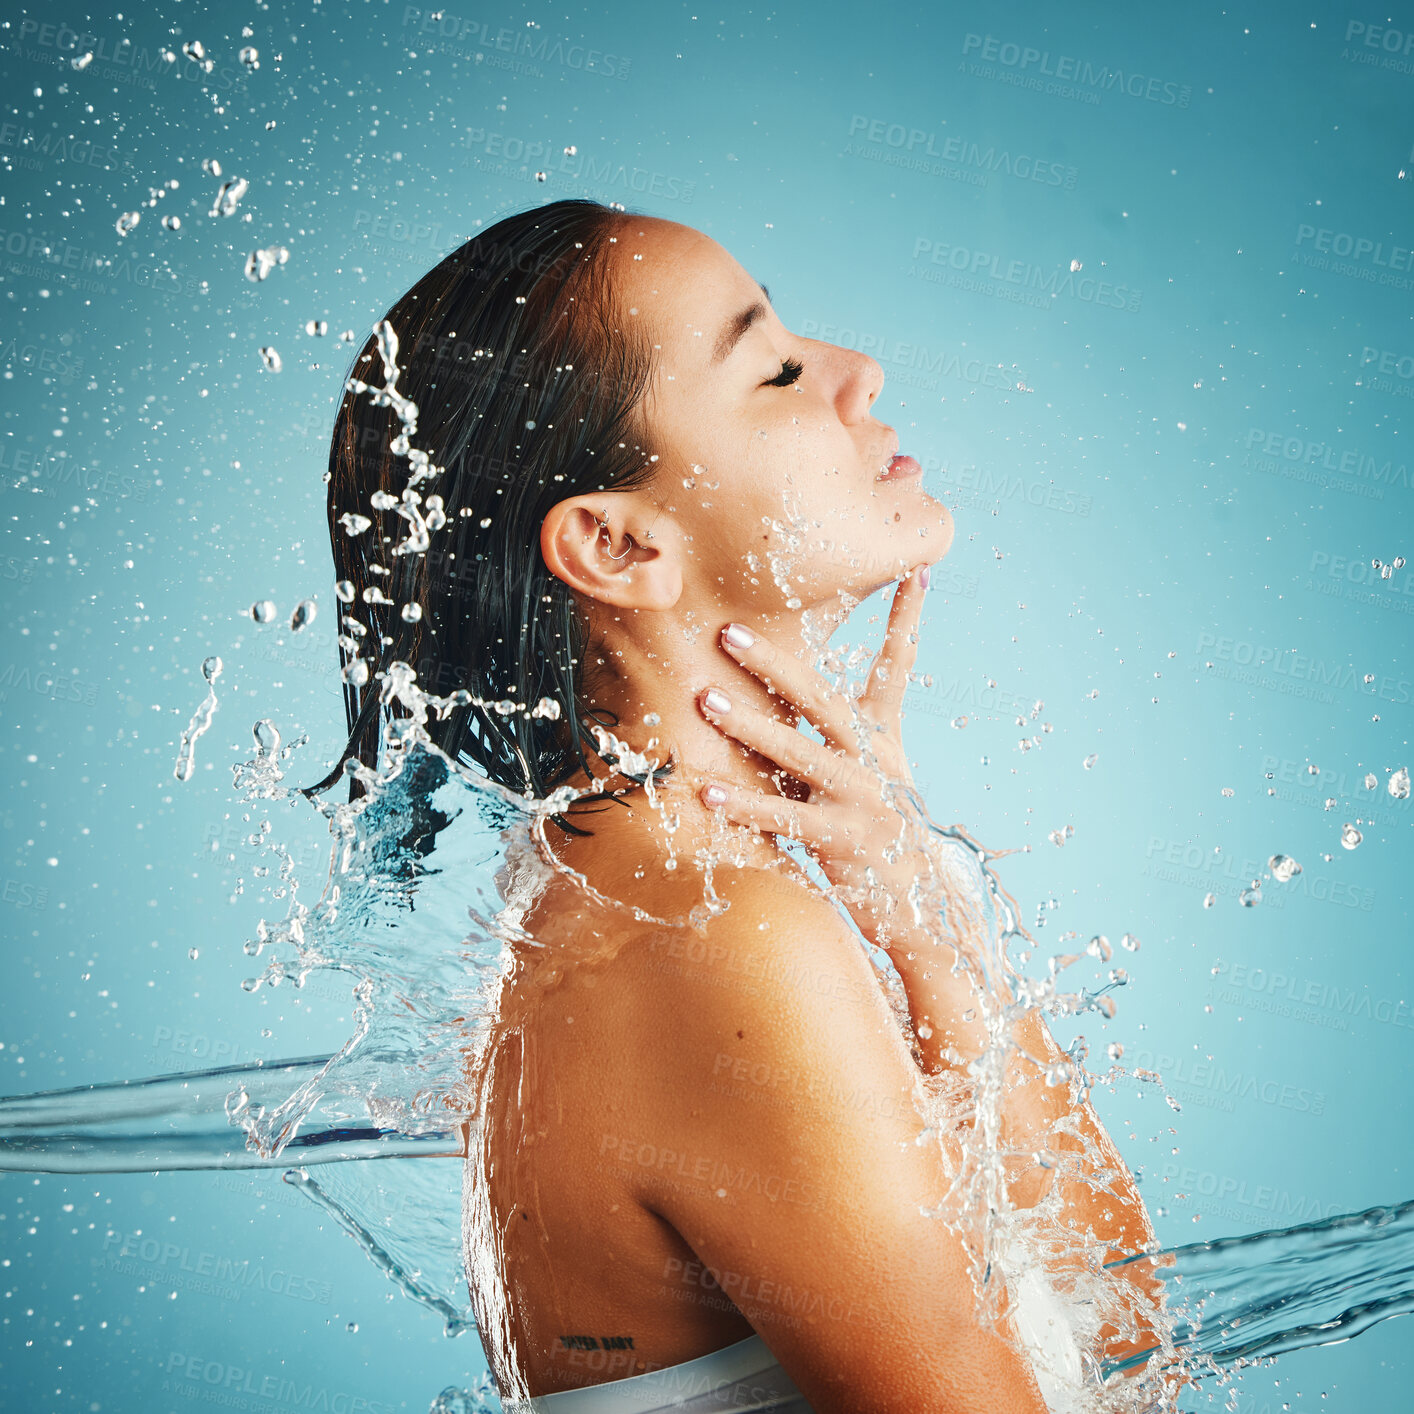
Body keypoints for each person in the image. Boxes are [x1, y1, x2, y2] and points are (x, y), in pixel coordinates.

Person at [317, 199, 1169, 1414]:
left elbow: (1122, 1337)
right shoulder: (710, 941)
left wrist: (924, 924)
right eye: (772, 367)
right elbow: (1131, 1370)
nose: (858, 372)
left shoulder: (635, 884)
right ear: (616, 544)